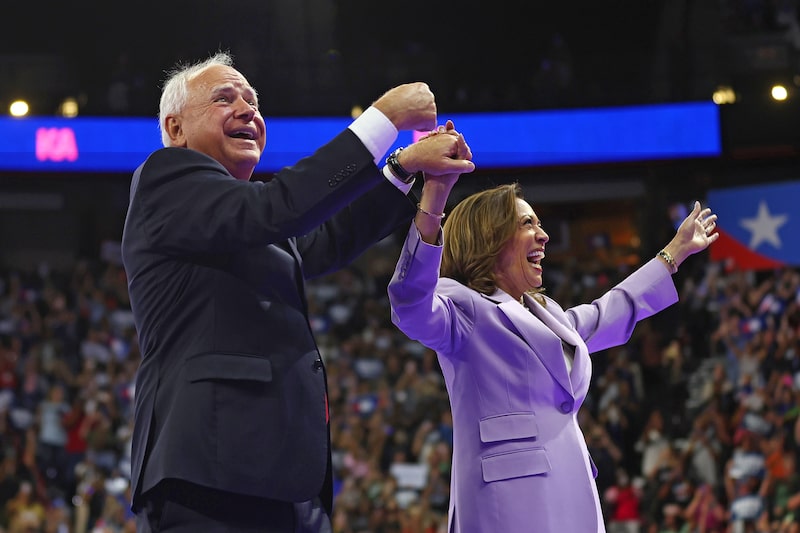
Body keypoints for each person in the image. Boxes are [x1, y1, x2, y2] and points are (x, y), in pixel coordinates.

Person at [120, 51, 474, 533]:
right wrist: (384, 118)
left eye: (252, 101)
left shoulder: (247, 218)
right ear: (176, 128)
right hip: (207, 474)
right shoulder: (165, 180)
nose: (248, 110)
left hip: (284, 482)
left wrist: (404, 165)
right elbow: (280, 208)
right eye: (225, 99)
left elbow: (323, 240)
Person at [388, 172, 719, 532]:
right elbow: (409, 303)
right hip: (508, 507)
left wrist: (673, 254)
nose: (544, 236)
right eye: (527, 223)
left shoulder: (549, 314)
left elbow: (609, 311)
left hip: (570, 495)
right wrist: (435, 193)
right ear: (489, 237)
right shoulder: (462, 305)